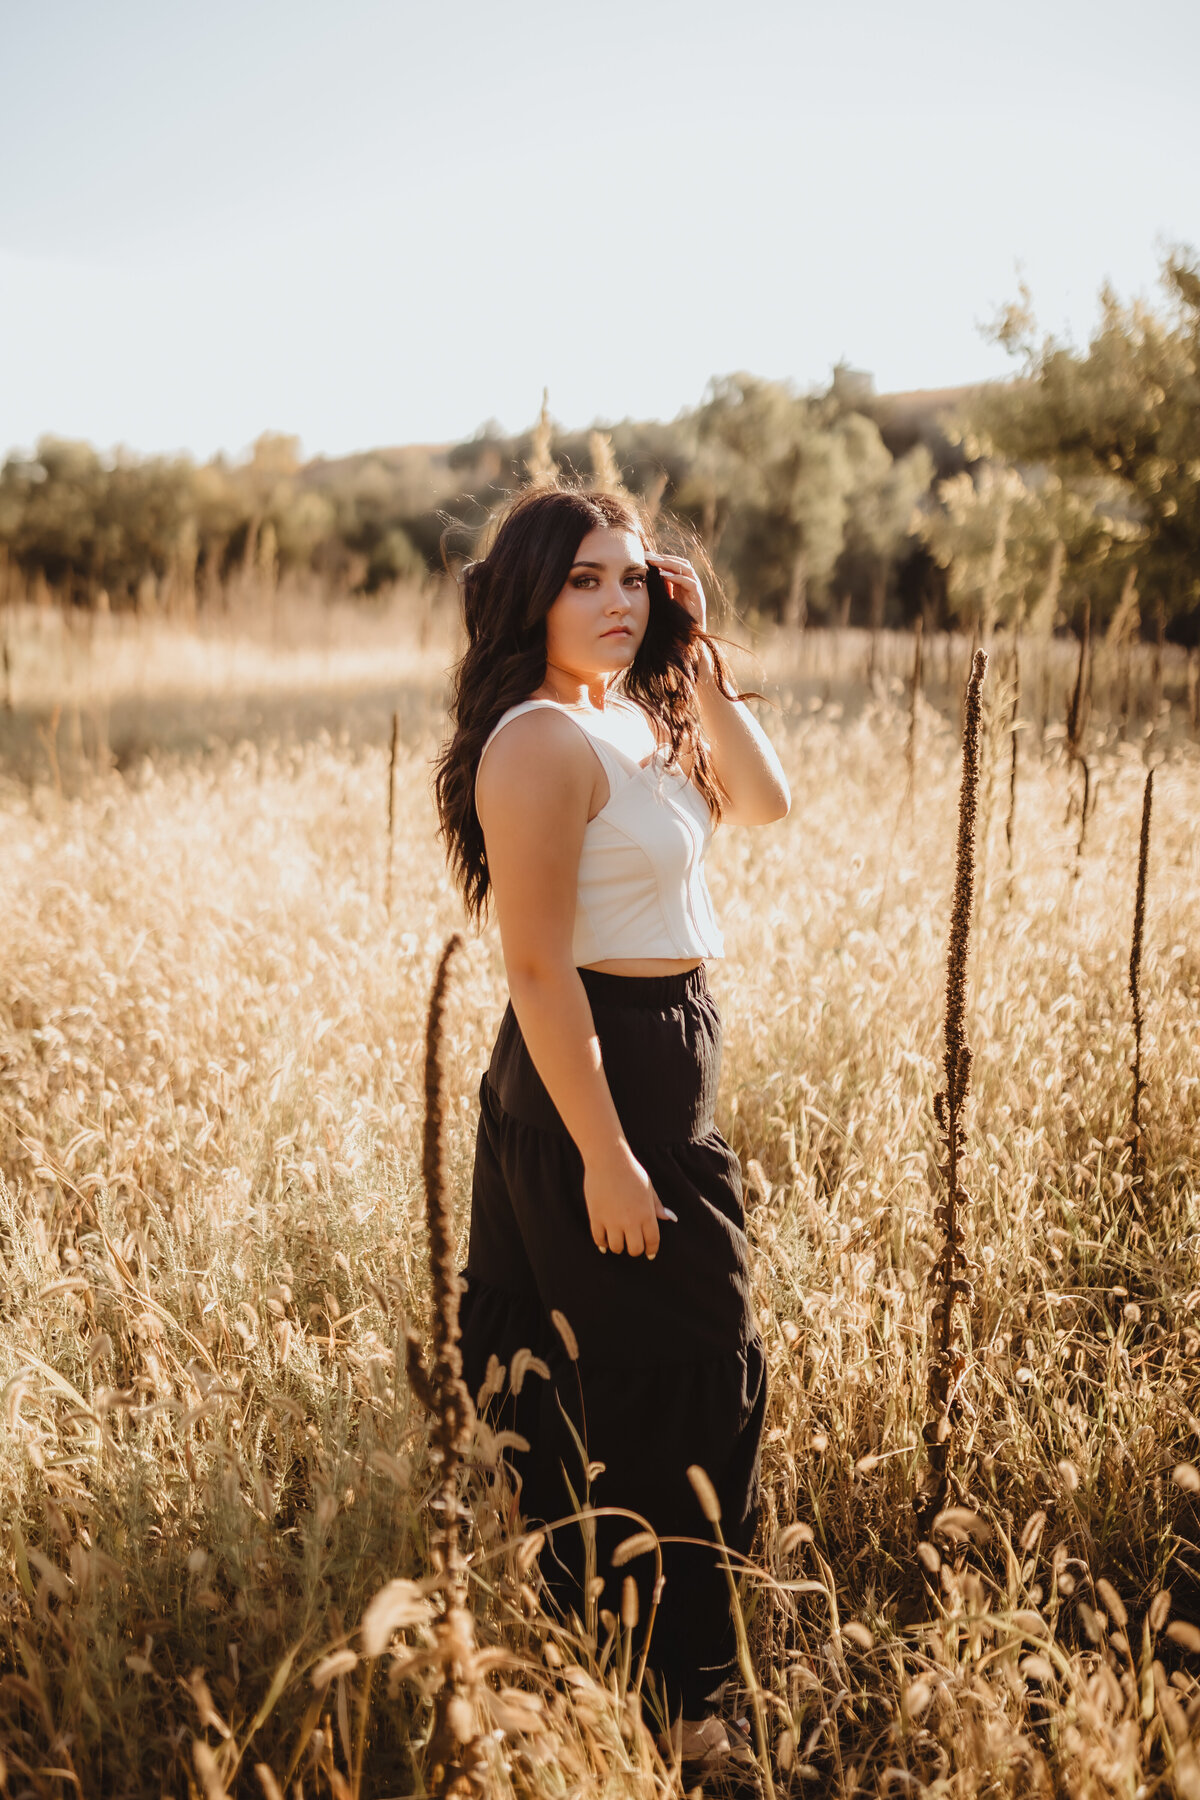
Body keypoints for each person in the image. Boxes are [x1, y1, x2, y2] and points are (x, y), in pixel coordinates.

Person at [433, 483, 790, 1774]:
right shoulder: (537, 742)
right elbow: (537, 973)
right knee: (688, 1376)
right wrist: (609, 1155)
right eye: (586, 578)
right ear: (530, 592)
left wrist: (693, 658)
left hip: (659, 1056)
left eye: (635, 578)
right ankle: (688, 1710)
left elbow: (764, 804)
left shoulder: (637, 714)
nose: (616, 602)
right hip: (594, 1076)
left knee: (617, 1378)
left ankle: (603, 1664)